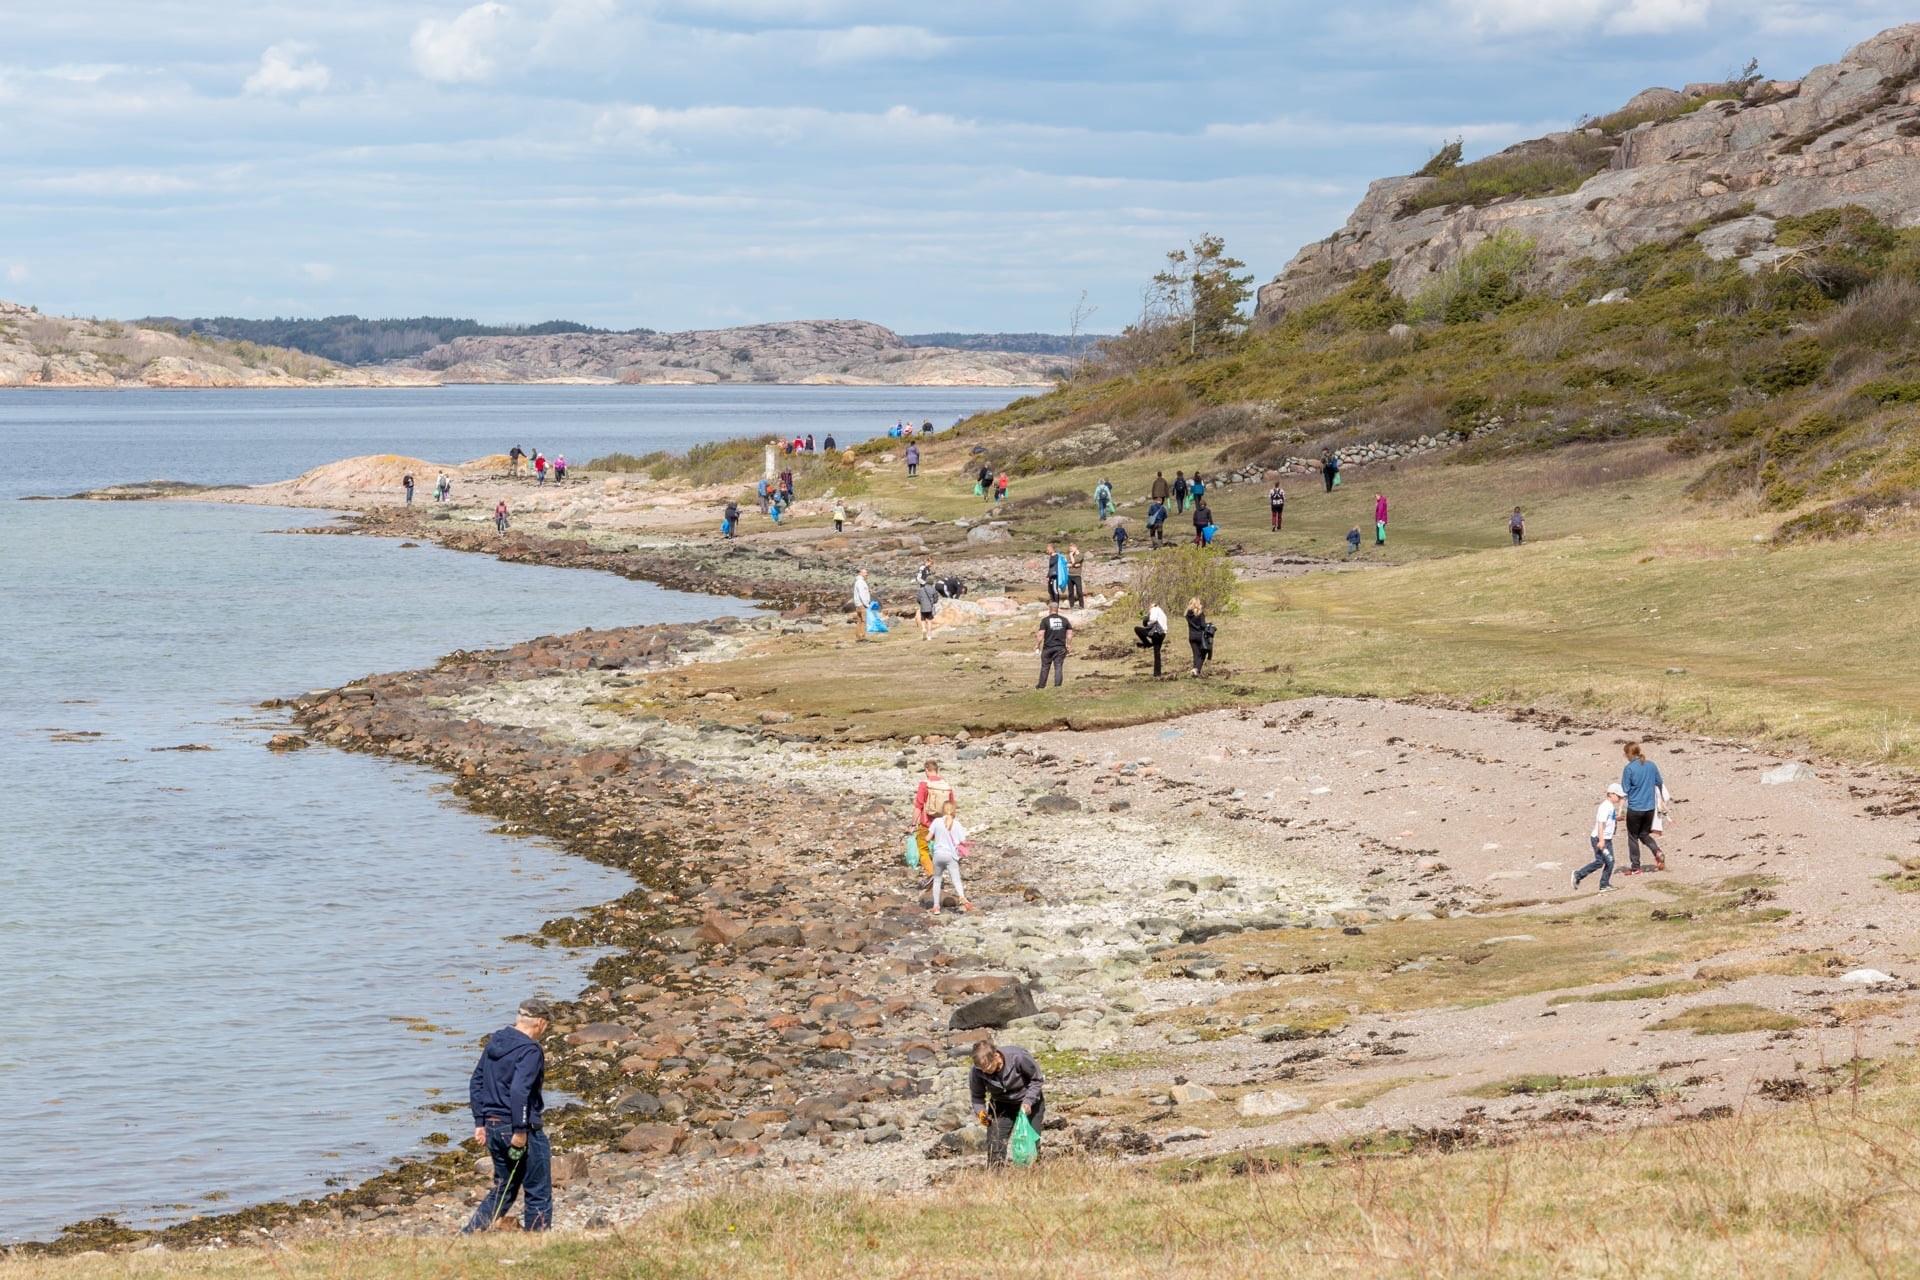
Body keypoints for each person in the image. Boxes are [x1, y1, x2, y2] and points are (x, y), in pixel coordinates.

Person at [464, 998, 553, 1234]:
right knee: (537, 1188)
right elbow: (519, 1091)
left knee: (504, 1188)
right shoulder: (530, 1050)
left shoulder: (497, 1040)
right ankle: (538, 1240)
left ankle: (469, 1234)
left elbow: (477, 1081)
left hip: (493, 1127)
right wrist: (521, 1131)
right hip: (518, 1129)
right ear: (541, 1023)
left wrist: (480, 1122)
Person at [969, 1040, 1045, 1167]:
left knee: (1030, 1144)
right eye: (980, 1069)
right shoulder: (977, 1071)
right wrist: (981, 1113)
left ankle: (1032, 1174)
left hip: (1029, 1102)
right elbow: (977, 1097)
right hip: (1001, 1104)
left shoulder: (1018, 1057)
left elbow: (1037, 1080)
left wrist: (1028, 1102)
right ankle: (996, 1178)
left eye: (987, 1067)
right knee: (995, 1144)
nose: (984, 1072)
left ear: (996, 1056)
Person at [1621, 743, 1670, 873]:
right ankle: (1657, 851)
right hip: (1650, 808)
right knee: (1643, 834)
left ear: (1629, 754)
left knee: (1633, 836)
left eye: (1625, 753)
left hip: (1635, 807)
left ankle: (1635, 867)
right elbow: (1659, 782)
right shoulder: (1651, 765)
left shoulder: (1629, 768)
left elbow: (1625, 789)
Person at [1573, 785, 1624, 893]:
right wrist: (1601, 840)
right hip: (1599, 838)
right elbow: (1601, 824)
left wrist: (1618, 818)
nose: (1620, 799)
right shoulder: (1605, 807)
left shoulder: (1610, 806)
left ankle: (1601, 883)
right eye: (1618, 796)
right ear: (1611, 794)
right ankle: (1580, 875)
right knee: (1608, 861)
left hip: (1607, 839)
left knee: (1602, 861)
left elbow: (1609, 820)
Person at [926, 796, 972, 915]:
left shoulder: (936, 822)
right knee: (956, 880)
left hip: (938, 854)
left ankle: (936, 907)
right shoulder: (957, 824)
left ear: (942, 810)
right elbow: (963, 840)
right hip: (951, 855)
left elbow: (928, 838)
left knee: (937, 880)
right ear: (954, 810)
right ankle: (962, 898)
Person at [1035, 601, 1072, 688]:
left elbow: (1041, 634)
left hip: (1048, 647)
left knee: (1045, 667)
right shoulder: (1064, 620)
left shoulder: (1045, 620)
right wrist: (1069, 644)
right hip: (1060, 647)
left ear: (1049, 609)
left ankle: (1041, 686)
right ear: (1057, 609)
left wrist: (1037, 645)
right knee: (1058, 666)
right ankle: (1058, 686)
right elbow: (1069, 634)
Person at [1134, 601, 1169, 677]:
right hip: (1162, 634)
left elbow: (1153, 619)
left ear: (1152, 606)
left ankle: (1147, 644)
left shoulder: (1154, 609)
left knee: (1137, 629)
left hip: (1156, 633)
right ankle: (1157, 674)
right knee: (1157, 653)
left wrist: (1147, 621)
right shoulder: (1163, 613)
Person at [1185, 597, 1212, 677]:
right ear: (1197, 604)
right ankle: (1197, 670)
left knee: (1195, 654)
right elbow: (1203, 625)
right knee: (1203, 654)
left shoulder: (1187, 614)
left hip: (1191, 636)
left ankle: (1195, 671)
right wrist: (1209, 625)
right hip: (1200, 636)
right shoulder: (1200, 613)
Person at [853, 569, 873, 641]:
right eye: (865, 573)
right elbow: (862, 594)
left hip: (858, 604)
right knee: (864, 621)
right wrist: (866, 604)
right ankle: (862, 637)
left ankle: (858, 636)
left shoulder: (858, 582)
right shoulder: (861, 582)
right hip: (862, 604)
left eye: (867, 573)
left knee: (860, 620)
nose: (867, 574)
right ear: (860, 573)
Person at [916, 575, 938, 640]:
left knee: (923, 619)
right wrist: (933, 602)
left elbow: (918, 599)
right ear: (932, 582)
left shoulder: (921, 589)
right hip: (930, 607)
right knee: (929, 621)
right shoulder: (933, 589)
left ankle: (923, 629)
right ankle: (929, 635)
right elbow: (936, 599)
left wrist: (921, 603)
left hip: (923, 607)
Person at [1065, 541, 1084, 608]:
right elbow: (1067, 564)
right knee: (1070, 592)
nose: (1070, 550)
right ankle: (1071, 606)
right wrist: (1073, 564)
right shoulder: (1068, 555)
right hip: (1069, 575)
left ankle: (1081, 605)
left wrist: (1072, 560)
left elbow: (1075, 562)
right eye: (1070, 548)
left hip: (1077, 575)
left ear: (1075, 547)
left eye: (1071, 548)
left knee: (1079, 591)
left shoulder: (1080, 555)